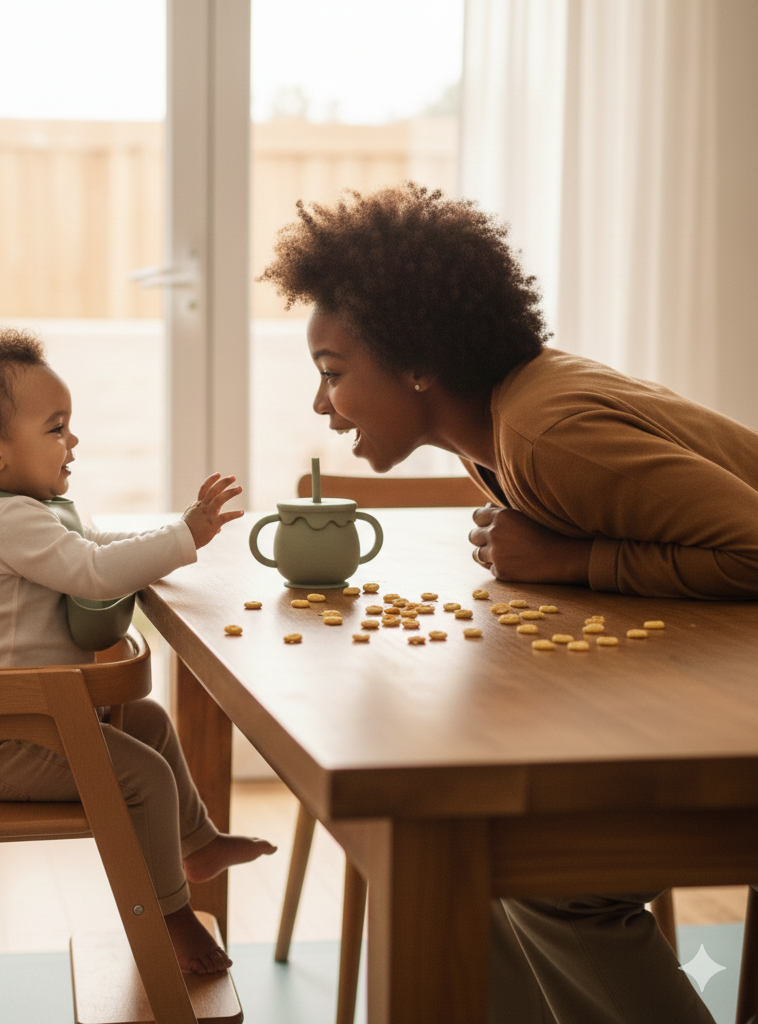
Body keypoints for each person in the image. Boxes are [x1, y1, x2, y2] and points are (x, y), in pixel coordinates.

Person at [259, 182, 758, 1022]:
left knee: (551, 887)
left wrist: (576, 558)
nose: (321, 404)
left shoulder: (541, 430)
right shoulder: (496, 427)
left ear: (420, 364)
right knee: (474, 869)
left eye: (333, 373)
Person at [0, 326, 275, 975]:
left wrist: (168, 536)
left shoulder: (24, 512)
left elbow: (96, 552)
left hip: (34, 723)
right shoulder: (9, 523)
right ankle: (171, 919)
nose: (71, 441)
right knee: (146, 778)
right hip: (1, 744)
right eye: (55, 428)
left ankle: (198, 842)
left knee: (152, 722)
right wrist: (185, 533)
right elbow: (97, 574)